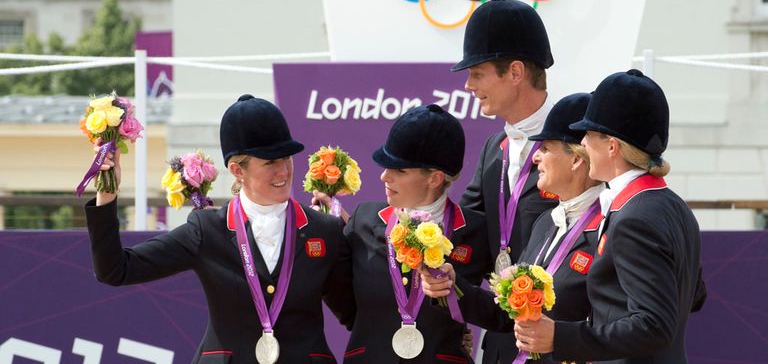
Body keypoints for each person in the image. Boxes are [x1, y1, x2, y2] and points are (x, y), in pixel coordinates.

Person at [84, 94, 353, 363]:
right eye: (270, 162)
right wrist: (107, 192)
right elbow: (115, 269)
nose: (283, 171)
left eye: (287, 158)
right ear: (237, 170)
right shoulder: (207, 229)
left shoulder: (324, 230)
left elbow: (356, 314)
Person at [514, 70, 707, 363]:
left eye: (589, 135)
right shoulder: (674, 208)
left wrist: (561, 337)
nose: (585, 144)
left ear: (612, 146)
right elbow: (694, 297)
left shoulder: (634, 217)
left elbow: (654, 325)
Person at [421, 93, 605, 364]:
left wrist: (561, 338)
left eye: (545, 148)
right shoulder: (546, 223)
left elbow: (618, 328)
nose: (536, 157)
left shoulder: (609, 226)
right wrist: (451, 285)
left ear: (577, 160)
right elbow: (506, 315)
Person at [315, 104, 490, 363]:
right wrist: (326, 231)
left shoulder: (476, 230)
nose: (385, 176)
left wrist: (456, 292)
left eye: (399, 170)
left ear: (435, 178)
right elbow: (343, 302)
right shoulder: (363, 220)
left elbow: (503, 314)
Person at [451, 0, 560, 362]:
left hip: (563, 342)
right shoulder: (492, 150)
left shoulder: (580, 145)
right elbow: (463, 235)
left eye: (477, 73)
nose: (468, 85)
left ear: (514, 73)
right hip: (502, 343)